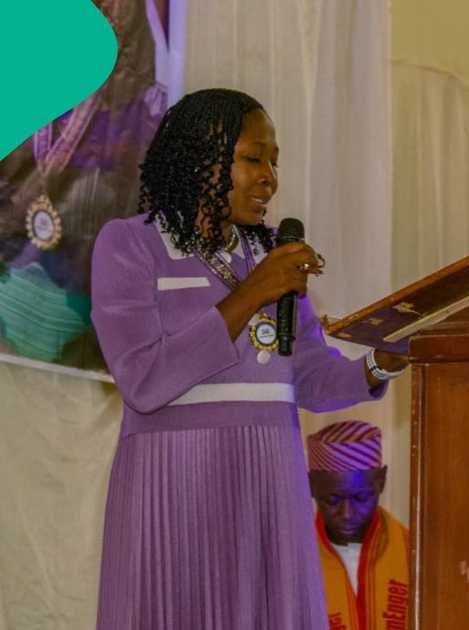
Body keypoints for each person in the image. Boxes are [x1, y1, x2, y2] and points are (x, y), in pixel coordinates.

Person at [90, 89, 408, 630]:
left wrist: (382, 361)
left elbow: (308, 375)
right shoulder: (130, 245)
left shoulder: (268, 260)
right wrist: (251, 293)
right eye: (253, 158)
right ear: (201, 159)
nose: (269, 178)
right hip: (175, 484)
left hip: (269, 480)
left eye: (274, 163)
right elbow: (142, 380)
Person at [308, 421, 409, 630]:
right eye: (332, 500)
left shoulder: (414, 553)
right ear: (310, 485)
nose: (347, 514)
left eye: (361, 497)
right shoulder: (296, 561)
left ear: (381, 481)